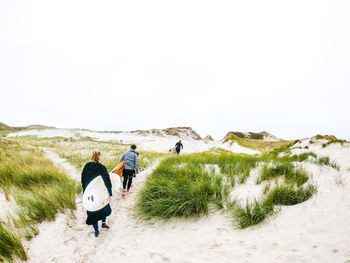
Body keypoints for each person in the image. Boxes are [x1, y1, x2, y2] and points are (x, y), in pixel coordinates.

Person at [81, 149, 112, 237]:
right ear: (99, 156)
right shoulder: (102, 167)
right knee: (104, 207)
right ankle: (103, 223)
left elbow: (83, 180)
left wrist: (85, 192)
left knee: (93, 210)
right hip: (100, 192)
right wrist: (110, 192)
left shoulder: (87, 166)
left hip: (90, 193)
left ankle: (96, 230)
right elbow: (107, 181)